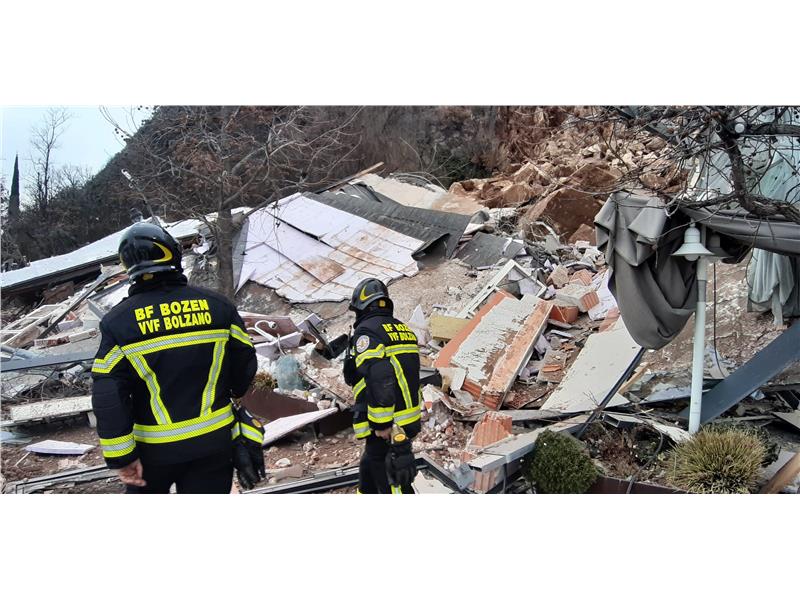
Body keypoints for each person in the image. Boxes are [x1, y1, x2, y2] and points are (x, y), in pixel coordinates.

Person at [91, 222, 264, 493]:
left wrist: (122, 457)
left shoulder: (118, 323)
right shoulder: (219, 307)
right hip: (213, 444)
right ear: (173, 255)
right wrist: (231, 390)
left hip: (153, 453)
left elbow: (109, 395)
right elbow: (244, 363)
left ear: (128, 266)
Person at [343, 278, 421, 494]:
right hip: (407, 416)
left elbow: (381, 376)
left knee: (391, 480)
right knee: (370, 463)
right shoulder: (402, 329)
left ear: (362, 306)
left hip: (388, 422)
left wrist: (382, 423)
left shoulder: (367, 332)